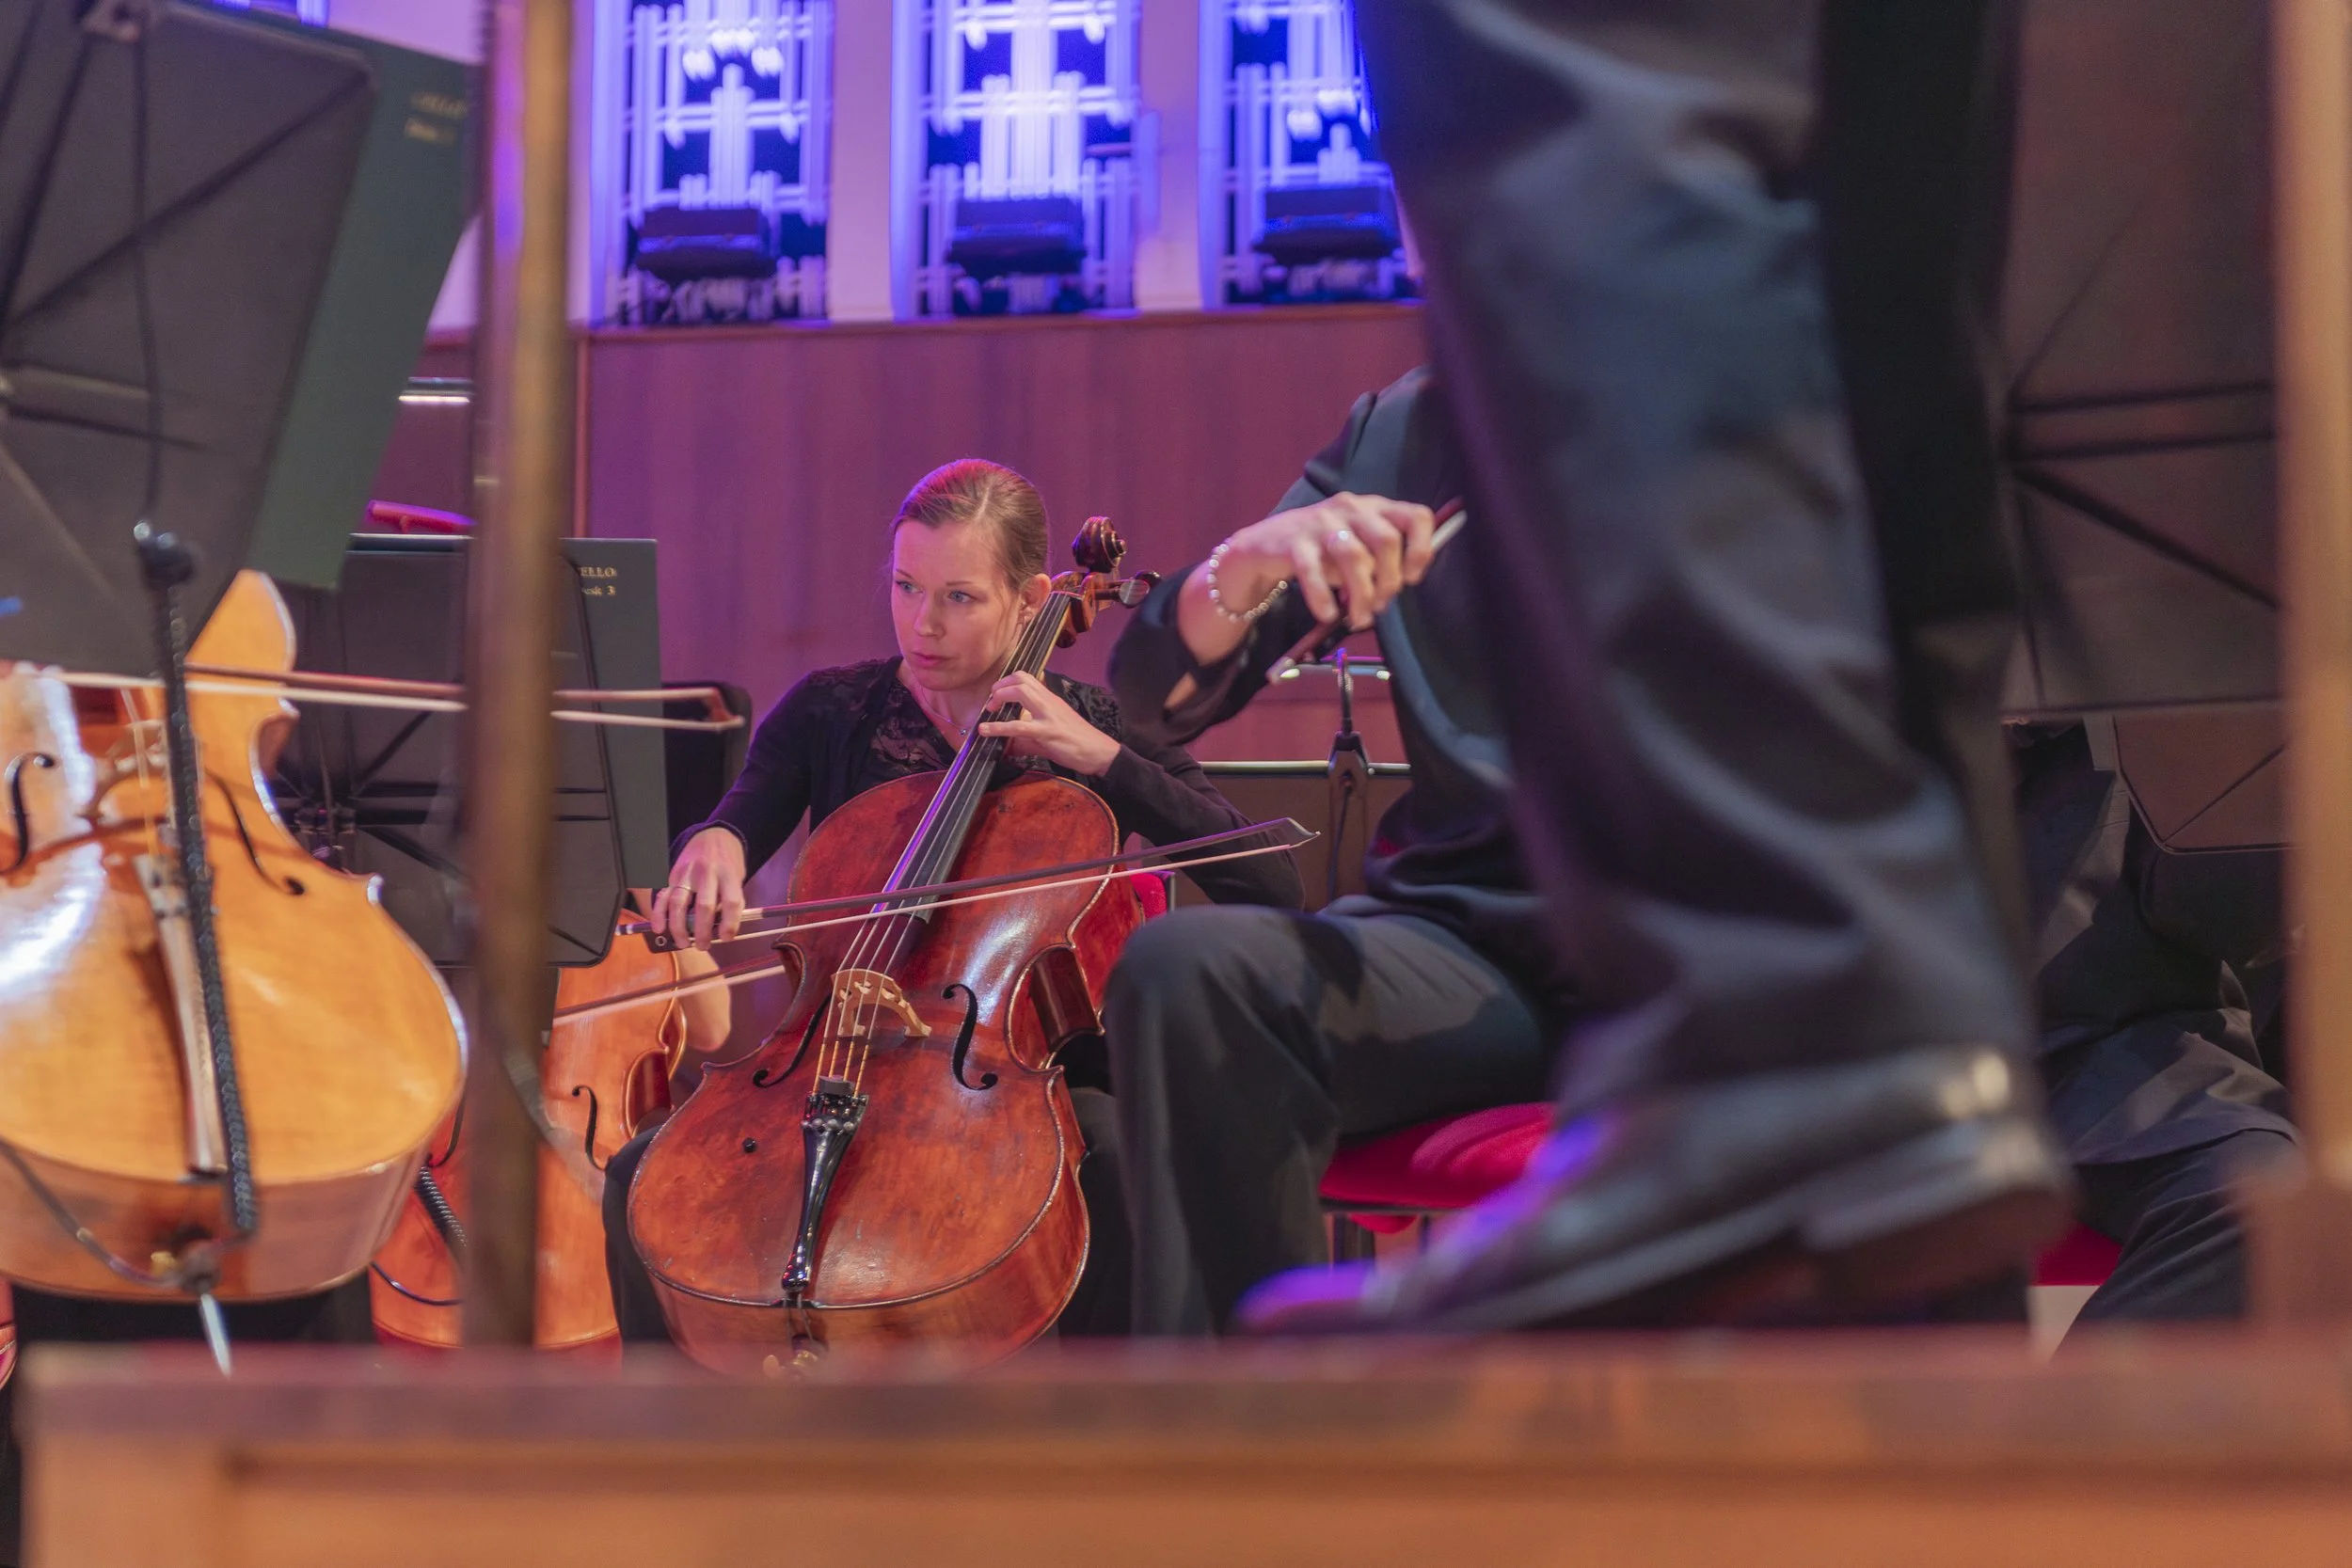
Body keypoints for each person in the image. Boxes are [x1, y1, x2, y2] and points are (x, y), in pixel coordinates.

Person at [1232, 0, 2078, 1332]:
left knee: (1572, 83)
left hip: (1647, 975)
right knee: (1862, 203)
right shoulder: (1370, 443)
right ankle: (1902, 1061)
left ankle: (1774, 1040)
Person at [601, 458, 1302, 1344]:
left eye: (959, 597)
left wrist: (1105, 761)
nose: (922, 623)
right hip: (832, 1059)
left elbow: (1269, 878)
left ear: (1032, 598)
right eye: (906, 586)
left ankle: (1097, 1425)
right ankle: (668, 1428)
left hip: (1024, 1078)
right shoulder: (830, 711)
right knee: (640, 1174)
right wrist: (715, 843)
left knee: (1122, 1168)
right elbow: (739, 818)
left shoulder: (1096, 723)